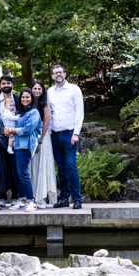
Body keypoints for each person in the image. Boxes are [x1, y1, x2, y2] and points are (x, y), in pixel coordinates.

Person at [47, 64, 84, 209]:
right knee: (61, 167)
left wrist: (76, 133)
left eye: (60, 72)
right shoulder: (50, 92)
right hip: (55, 135)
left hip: (70, 134)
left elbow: (79, 112)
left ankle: (77, 198)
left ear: (65, 74)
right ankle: (64, 198)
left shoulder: (74, 89)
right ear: (52, 76)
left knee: (70, 165)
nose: (58, 75)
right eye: (55, 73)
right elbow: (49, 113)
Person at [4, 88, 43, 212]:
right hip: (17, 145)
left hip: (26, 146)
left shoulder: (34, 112)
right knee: (17, 174)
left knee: (23, 174)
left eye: (27, 97)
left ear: (32, 98)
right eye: (23, 97)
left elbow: (27, 130)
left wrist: (10, 131)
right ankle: (23, 200)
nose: (25, 99)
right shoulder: (22, 112)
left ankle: (31, 201)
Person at [29, 80, 58, 209]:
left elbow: (46, 123)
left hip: (42, 137)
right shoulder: (28, 102)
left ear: (42, 91)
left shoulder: (45, 104)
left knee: (42, 166)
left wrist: (40, 141)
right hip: (30, 137)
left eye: (39, 89)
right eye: (34, 88)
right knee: (32, 167)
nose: (37, 91)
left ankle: (42, 198)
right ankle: (33, 197)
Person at [0, 74, 21, 205]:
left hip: (16, 138)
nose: (6, 85)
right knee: (1, 169)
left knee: (15, 168)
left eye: (9, 83)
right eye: (4, 83)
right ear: (0, 85)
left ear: (12, 85)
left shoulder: (18, 99)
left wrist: (12, 131)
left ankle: (15, 196)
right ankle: (2, 196)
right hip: (0, 140)